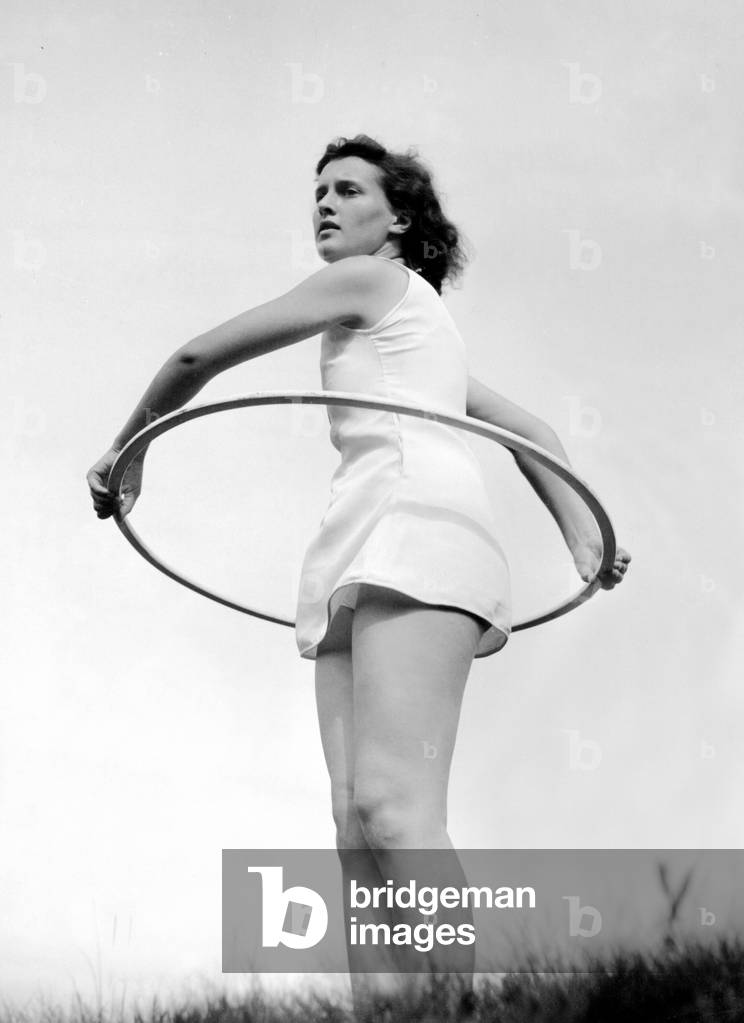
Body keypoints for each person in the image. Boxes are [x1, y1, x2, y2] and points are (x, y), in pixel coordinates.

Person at [87, 134, 631, 1020]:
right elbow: (532, 430)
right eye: (319, 192)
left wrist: (127, 448)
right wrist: (582, 538)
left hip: (423, 534)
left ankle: (465, 1007)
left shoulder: (372, 281)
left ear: (400, 219)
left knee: (395, 807)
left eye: (348, 190)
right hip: (360, 543)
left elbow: (196, 359)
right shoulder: (420, 333)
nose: (325, 204)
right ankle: (387, 1013)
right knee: (352, 824)